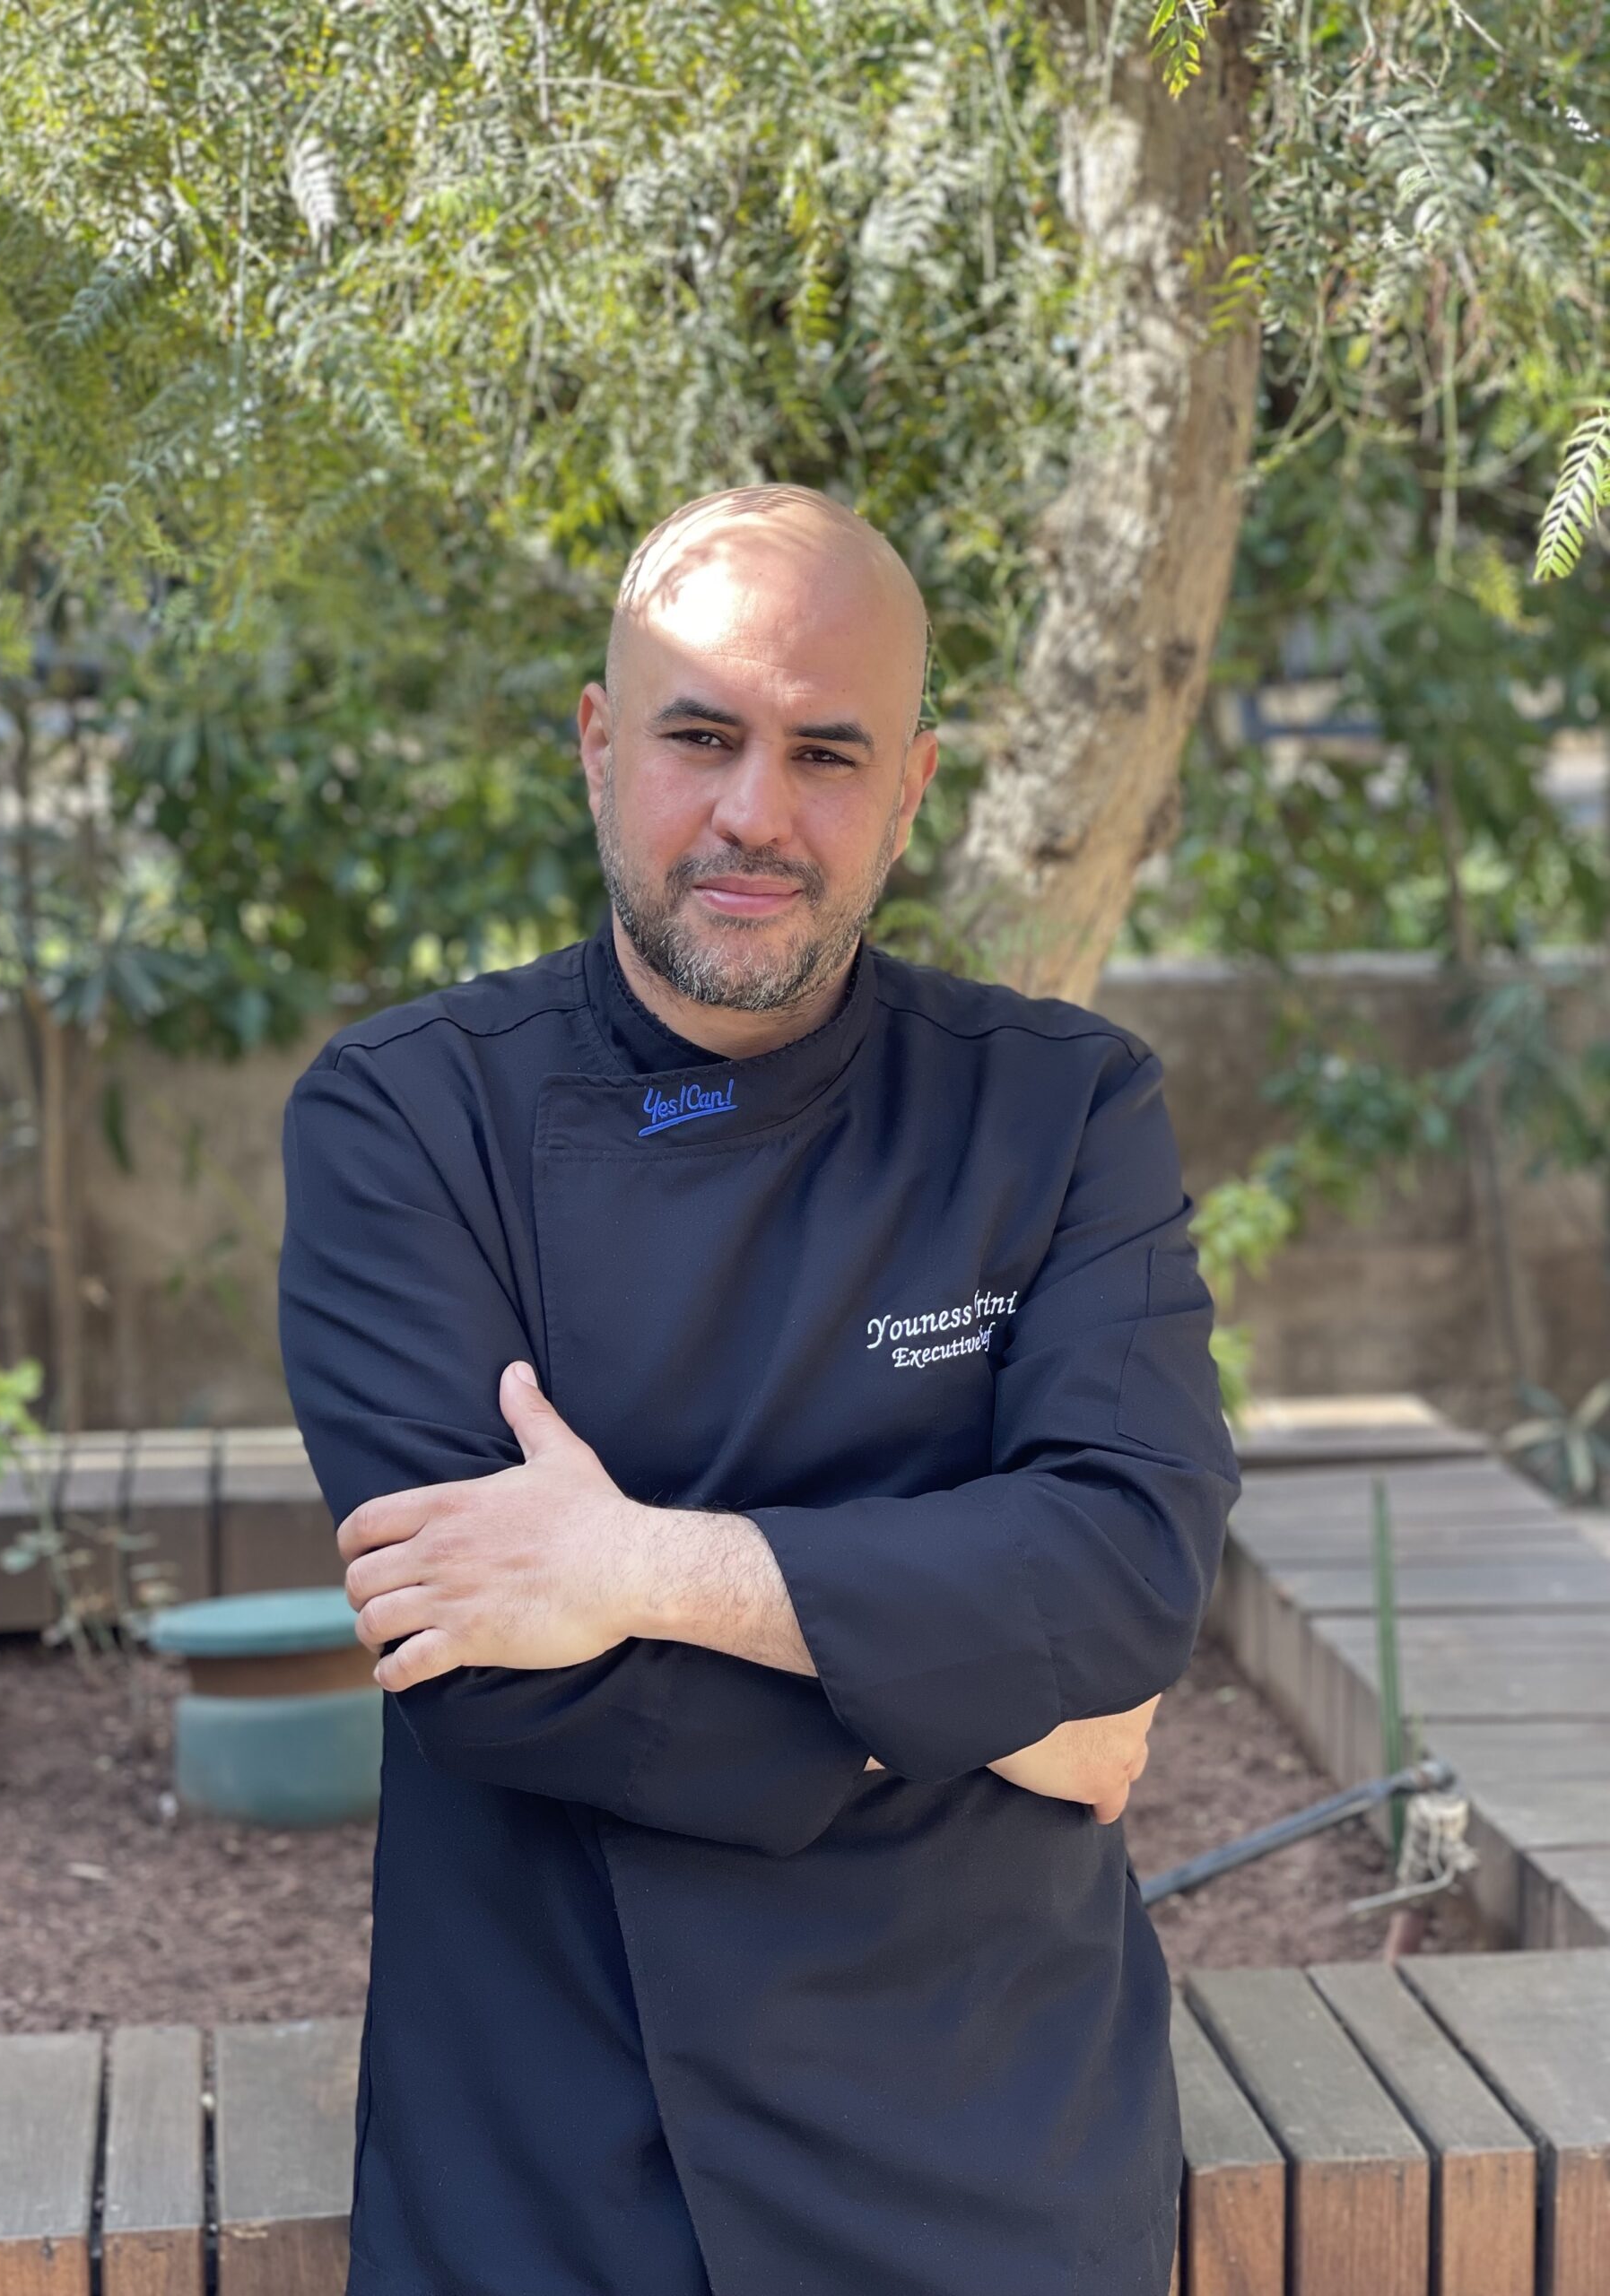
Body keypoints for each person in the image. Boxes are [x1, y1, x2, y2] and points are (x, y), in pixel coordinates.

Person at [275, 483, 1241, 2296]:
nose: (754, 812)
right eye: (701, 736)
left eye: (827, 752)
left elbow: (1124, 1577)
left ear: (913, 786)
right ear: (598, 744)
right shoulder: (409, 1122)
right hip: (560, 2156)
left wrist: (639, 1568)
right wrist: (999, 1706)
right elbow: (481, 1671)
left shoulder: (1059, 1109)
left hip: (994, 2144)